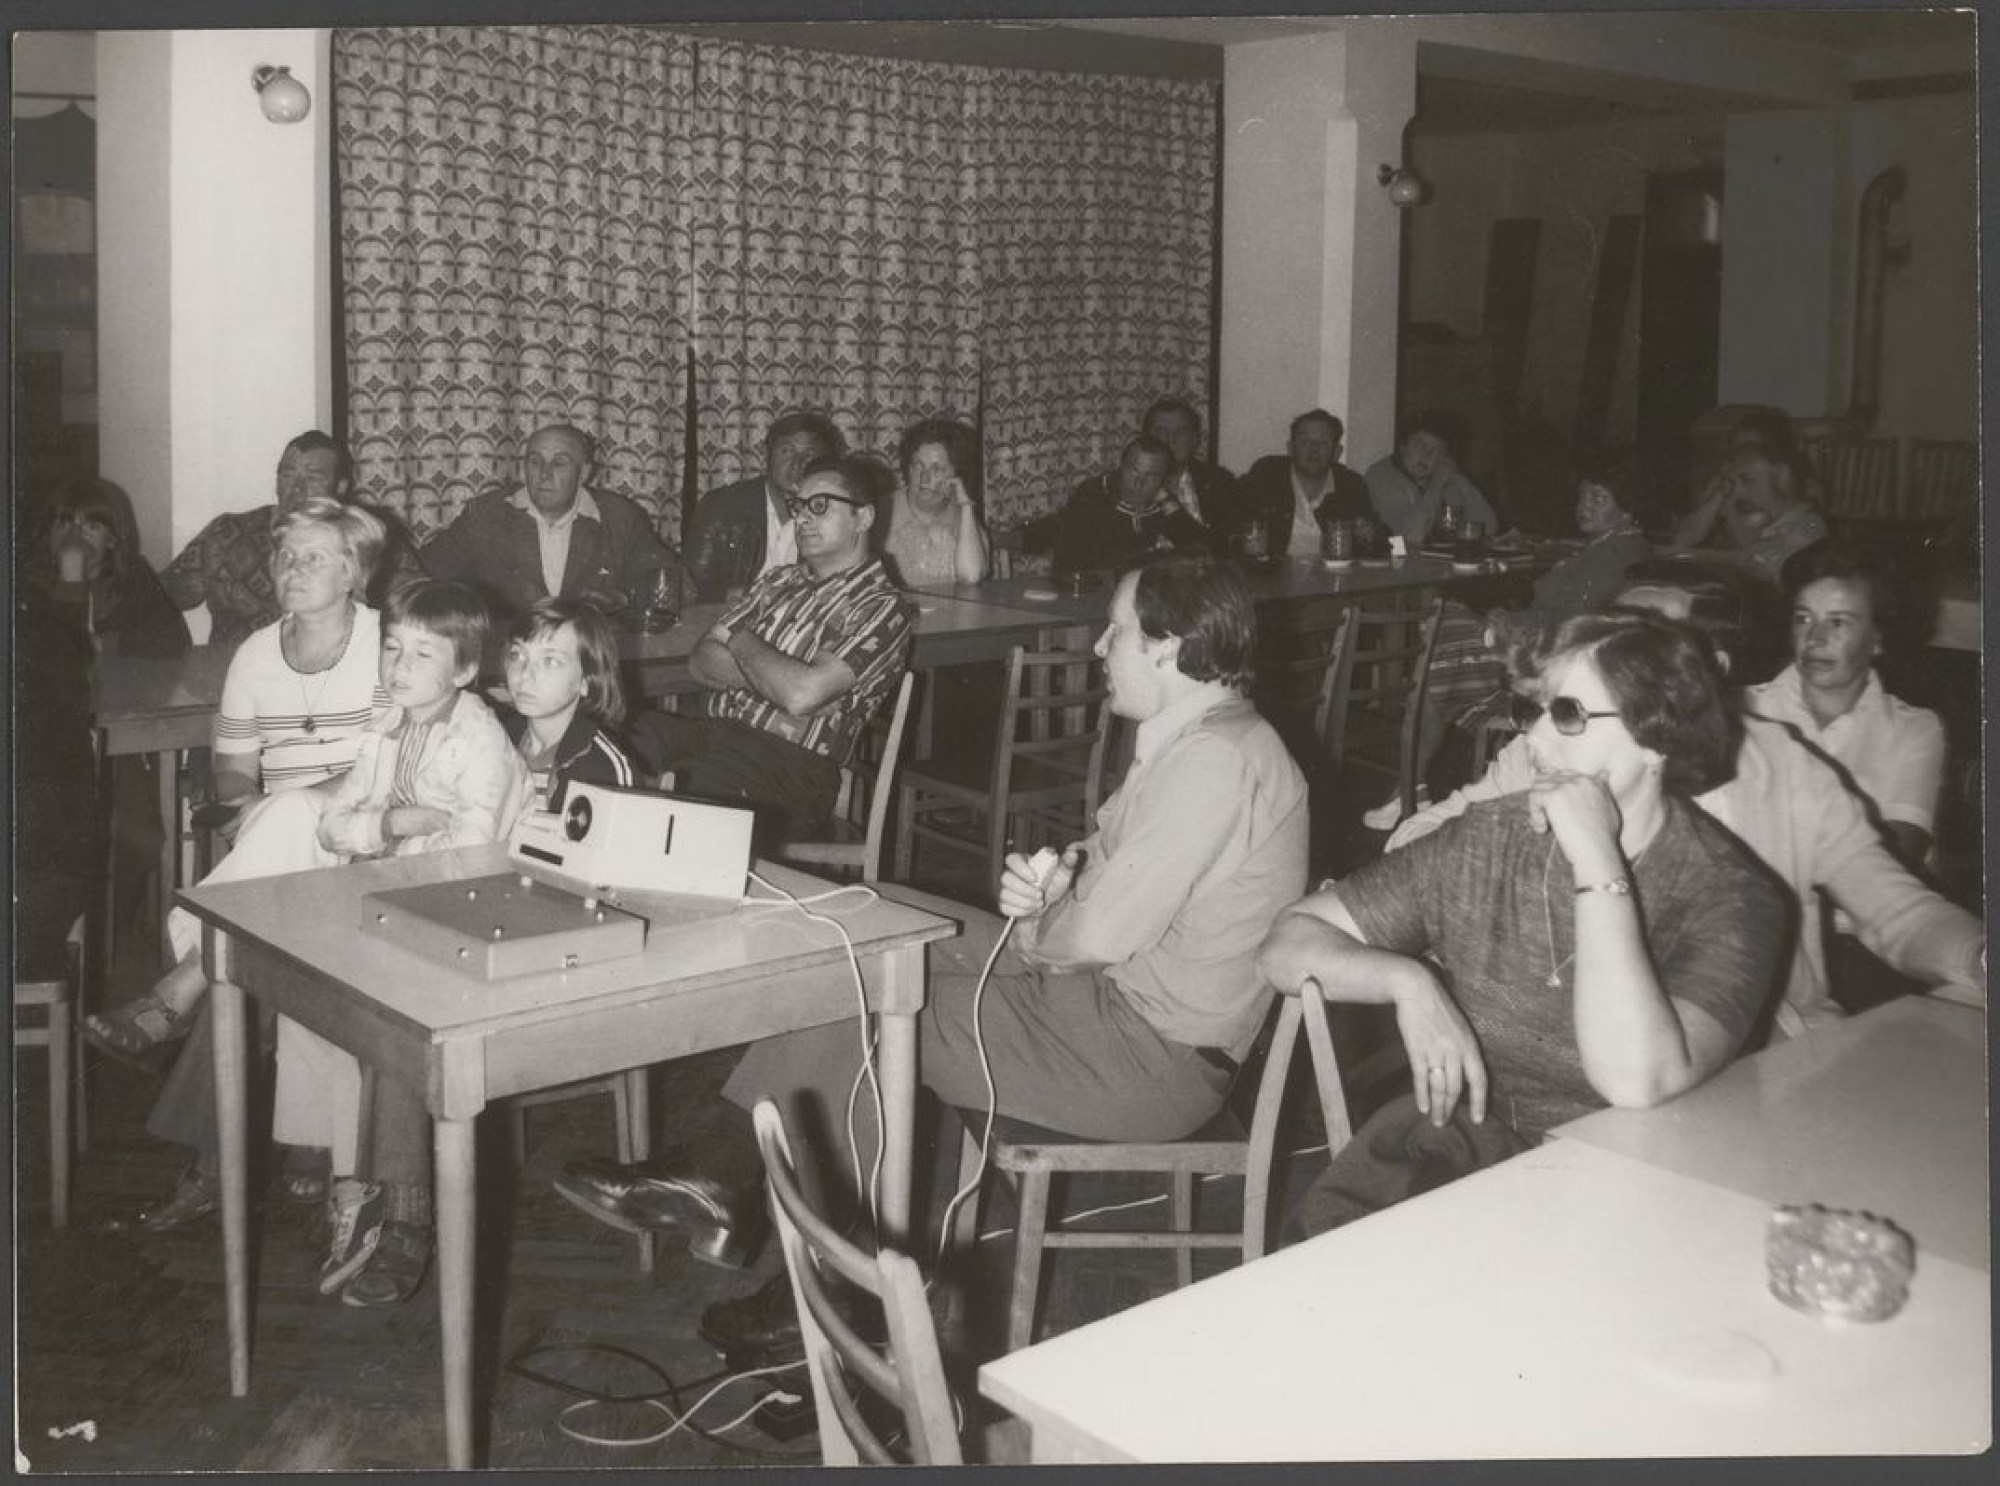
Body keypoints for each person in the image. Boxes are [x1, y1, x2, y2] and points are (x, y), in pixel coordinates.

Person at [559, 553, 1310, 1357]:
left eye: (1116, 633)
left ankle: (837, 1284)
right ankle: (725, 1182)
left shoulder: (1213, 761)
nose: (1099, 648)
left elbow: (1095, 938)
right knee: (870, 919)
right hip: (1106, 1006)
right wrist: (1062, 880)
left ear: (1168, 647)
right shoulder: (1201, 737)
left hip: (1146, 1057)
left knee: (885, 1013)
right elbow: (1110, 868)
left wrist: (1045, 922)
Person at [1259, 609, 1787, 1239]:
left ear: (1657, 737)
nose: (1535, 738)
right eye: (1531, 710)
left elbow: (1637, 1080)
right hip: (1482, 1172)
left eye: (1567, 714)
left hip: (1644, 1198)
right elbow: (1286, 944)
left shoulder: (1732, 896)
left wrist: (1597, 860)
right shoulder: (1488, 841)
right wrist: (1409, 982)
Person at [1390, 563, 1985, 1033]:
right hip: (1583, 1048)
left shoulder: (1784, 766)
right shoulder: (1553, 749)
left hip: (1771, 1050)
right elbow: (1413, 845)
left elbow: (1897, 910)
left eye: (1645, 645)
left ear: (1706, 673)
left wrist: (1979, 958)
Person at [92, 498, 394, 1233]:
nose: (291, 568)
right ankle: (286, 1146)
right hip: (280, 853)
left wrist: (286, 809)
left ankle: (180, 997)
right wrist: (251, 806)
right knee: (266, 928)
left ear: (354, 571)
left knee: (275, 863)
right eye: (284, 555)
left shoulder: (390, 645)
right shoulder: (256, 653)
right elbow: (231, 770)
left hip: (375, 845)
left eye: (313, 556)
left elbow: (387, 770)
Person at [266, 579, 531, 1307]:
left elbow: (472, 858)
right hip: (391, 899)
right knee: (287, 962)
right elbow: (334, 822)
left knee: (385, 1003)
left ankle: (404, 1213)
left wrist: (387, 839)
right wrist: (392, 825)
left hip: (467, 917)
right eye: (392, 648)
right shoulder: (386, 726)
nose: (400, 665)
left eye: (422, 653)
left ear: (465, 670)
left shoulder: (480, 740)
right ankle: (327, 1155)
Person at [628, 454, 912, 847]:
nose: (802, 518)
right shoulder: (778, 581)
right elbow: (700, 661)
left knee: (674, 806)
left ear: (862, 518)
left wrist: (740, 638)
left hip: (790, 764)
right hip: (716, 732)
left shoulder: (880, 606)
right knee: (615, 741)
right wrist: (777, 680)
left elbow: (801, 694)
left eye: (819, 506)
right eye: (799, 506)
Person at [161, 431, 415, 647]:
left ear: (340, 487)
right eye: (287, 475)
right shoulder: (228, 534)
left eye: (313, 478)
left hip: (334, 674)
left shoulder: (368, 540)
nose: (297, 488)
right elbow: (159, 600)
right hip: (233, 671)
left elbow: (419, 606)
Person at [419, 422, 681, 621]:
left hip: (589, 658)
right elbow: (420, 574)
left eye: (559, 463)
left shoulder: (619, 517)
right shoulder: (486, 515)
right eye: (535, 462)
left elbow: (673, 584)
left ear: (583, 473)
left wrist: (625, 598)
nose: (544, 474)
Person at [684, 411, 846, 600]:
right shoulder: (722, 506)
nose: (797, 464)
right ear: (767, 455)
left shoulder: (835, 515)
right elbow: (689, 589)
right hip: (729, 613)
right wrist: (743, 595)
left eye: (809, 454)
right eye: (786, 451)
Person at [499, 597, 642, 802]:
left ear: (586, 681)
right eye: (517, 655)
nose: (525, 674)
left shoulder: (603, 768)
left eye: (550, 661)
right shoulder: (494, 741)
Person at [30, 477, 190, 657]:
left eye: (91, 526)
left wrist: (100, 644)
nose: (74, 536)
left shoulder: (133, 572)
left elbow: (170, 639)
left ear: (112, 539)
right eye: (64, 523)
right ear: (49, 532)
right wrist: (71, 574)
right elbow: (52, 650)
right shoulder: (30, 581)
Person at [1028, 432, 1210, 575]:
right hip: (1090, 590)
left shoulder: (1161, 502)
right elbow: (1077, 549)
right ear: (1121, 466)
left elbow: (1199, 546)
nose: (1139, 483)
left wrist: (1166, 500)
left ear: (1164, 480)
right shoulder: (1096, 493)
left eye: (1151, 476)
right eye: (1134, 471)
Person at [1669, 443, 1829, 584]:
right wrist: (1719, 494)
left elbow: (1763, 566)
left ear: (1780, 475)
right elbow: (1681, 540)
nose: (1738, 490)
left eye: (1748, 479)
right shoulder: (1751, 514)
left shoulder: (1810, 524)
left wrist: (1691, 555)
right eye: (1733, 483)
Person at [1528, 449, 1659, 615]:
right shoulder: (1625, 543)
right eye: (1581, 496)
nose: (1584, 506)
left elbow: (1575, 615)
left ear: (1628, 508)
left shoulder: (1612, 552)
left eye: (1597, 499)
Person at [1232, 408, 1375, 560]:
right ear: (1290, 448)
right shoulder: (1265, 478)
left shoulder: (1351, 485)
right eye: (1305, 441)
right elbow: (1232, 529)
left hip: (1333, 572)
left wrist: (1369, 536)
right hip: (1274, 572)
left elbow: (1381, 542)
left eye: (1323, 442)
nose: (1314, 449)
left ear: (1336, 452)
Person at [1363, 411, 1498, 550]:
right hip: (1394, 559)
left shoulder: (1442, 478)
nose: (1427, 454)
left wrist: (1460, 479)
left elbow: (1487, 528)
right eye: (1419, 445)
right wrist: (1437, 485)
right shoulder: (1382, 476)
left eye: (1437, 450)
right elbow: (1411, 537)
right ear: (1402, 447)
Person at [881, 415, 990, 585]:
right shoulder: (883, 511)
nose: (924, 478)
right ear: (908, 468)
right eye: (918, 466)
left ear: (956, 474)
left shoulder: (964, 519)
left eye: (937, 469)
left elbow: (971, 576)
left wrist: (966, 506)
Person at [1142, 395, 1236, 533]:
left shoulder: (1219, 482)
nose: (1170, 440)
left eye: (1181, 432)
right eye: (1161, 432)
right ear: (1145, 438)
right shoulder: (1124, 484)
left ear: (1195, 440)